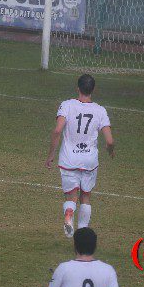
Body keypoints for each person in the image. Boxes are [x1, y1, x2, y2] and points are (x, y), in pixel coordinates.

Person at [44, 74, 115, 238]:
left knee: (71, 195)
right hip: (89, 160)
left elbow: (57, 131)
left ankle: (69, 212)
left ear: (78, 88)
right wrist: (110, 150)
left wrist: (51, 155)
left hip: (69, 159)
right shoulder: (100, 110)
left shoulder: (67, 105)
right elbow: (110, 141)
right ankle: (82, 233)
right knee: (86, 196)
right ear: (93, 90)